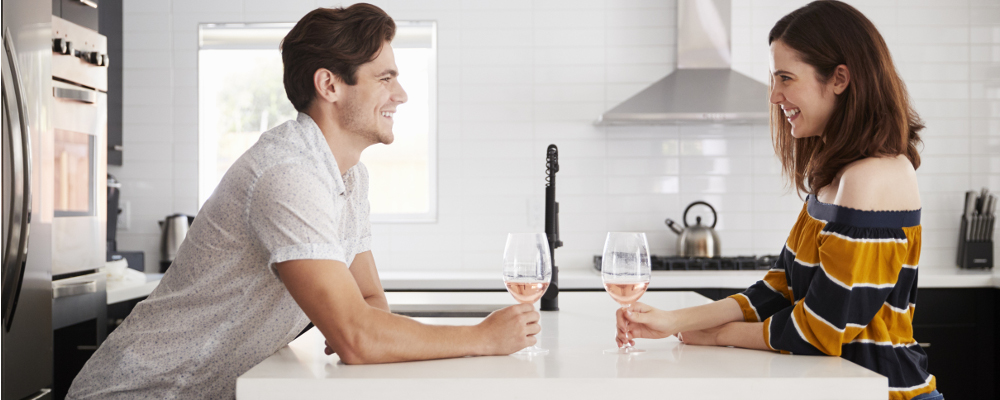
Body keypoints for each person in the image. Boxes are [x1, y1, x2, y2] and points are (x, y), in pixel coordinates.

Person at [67, 4, 539, 399]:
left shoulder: (349, 177)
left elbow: (369, 303)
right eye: (385, 78)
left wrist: (358, 327)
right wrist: (481, 337)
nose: (401, 94)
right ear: (329, 85)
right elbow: (357, 336)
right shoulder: (287, 174)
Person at [614, 2, 941, 400]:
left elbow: (822, 330)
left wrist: (721, 335)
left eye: (786, 78)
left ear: (839, 78)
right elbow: (778, 289)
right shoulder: (835, 176)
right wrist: (673, 321)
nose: (774, 96)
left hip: (888, 392)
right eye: (774, 79)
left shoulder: (874, 176)